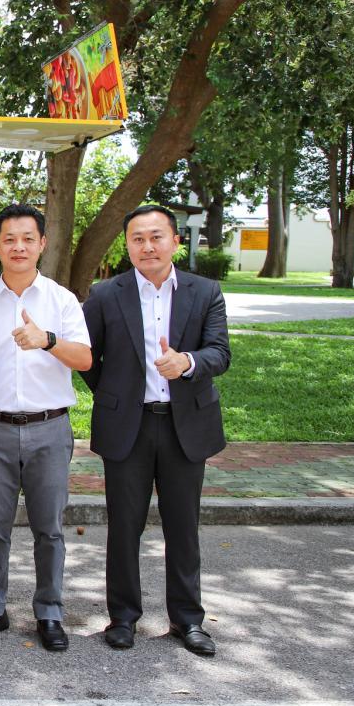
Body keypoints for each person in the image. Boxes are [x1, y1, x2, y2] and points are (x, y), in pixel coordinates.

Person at [81, 205, 230, 657]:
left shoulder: (205, 292)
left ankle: (188, 620)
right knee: (124, 527)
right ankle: (123, 617)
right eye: (137, 239)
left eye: (156, 237)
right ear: (127, 245)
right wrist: (115, 392)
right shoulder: (105, 295)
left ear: (175, 242)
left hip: (186, 426)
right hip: (128, 425)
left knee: (183, 527)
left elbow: (220, 353)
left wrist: (188, 362)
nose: (147, 246)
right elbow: (87, 358)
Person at [0, 205, 91, 651]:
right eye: (9, 239)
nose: (19, 247)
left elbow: (85, 359)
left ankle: (49, 612)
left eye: (28, 238)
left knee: (50, 528)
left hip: (50, 428)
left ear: (42, 244)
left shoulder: (62, 300)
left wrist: (47, 340)